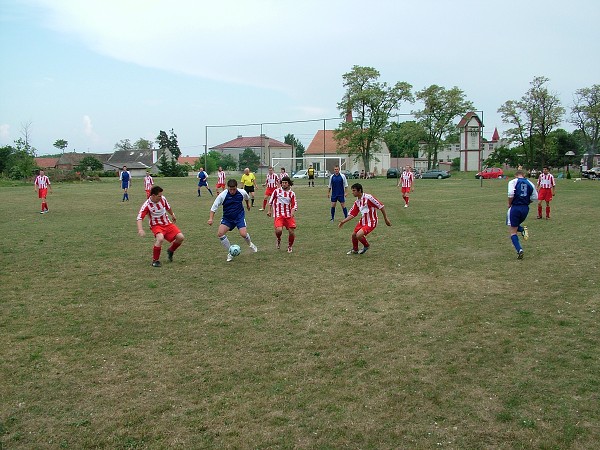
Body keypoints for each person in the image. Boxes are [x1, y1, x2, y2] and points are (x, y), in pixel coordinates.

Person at [208, 179, 258, 262]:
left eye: (234, 189)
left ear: (236, 187)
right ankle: (230, 252)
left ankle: (250, 244)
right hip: (228, 218)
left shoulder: (242, 192)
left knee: (243, 234)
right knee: (220, 234)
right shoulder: (222, 195)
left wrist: (248, 205)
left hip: (239, 217)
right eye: (230, 189)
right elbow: (214, 207)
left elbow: (246, 198)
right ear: (227, 188)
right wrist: (210, 218)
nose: (232, 191)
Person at [136, 185, 185, 267]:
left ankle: (171, 250)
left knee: (181, 238)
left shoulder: (163, 199)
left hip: (167, 223)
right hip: (156, 225)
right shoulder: (147, 205)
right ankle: (155, 261)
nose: (161, 197)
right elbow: (139, 217)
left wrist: (172, 214)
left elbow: (168, 207)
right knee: (160, 238)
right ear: (153, 195)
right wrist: (140, 229)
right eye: (159, 196)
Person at [339, 183, 391, 254]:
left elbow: (381, 206)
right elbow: (352, 214)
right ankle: (355, 249)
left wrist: (386, 218)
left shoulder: (369, 198)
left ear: (359, 190)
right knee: (354, 235)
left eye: (354, 190)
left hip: (371, 222)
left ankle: (366, 246)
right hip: (363, 221)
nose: (352, 192)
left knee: (358, 235)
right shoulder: (357, 202)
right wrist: (343, 221)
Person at [507, 169, 538, 259]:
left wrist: (509, 203)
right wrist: (527, 202)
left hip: (515, 207)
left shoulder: (513, 182)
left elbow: (510, 193)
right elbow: (535, 197)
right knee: (512, 224)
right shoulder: (530, 183)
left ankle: (519, 249)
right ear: (524, 175)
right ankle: (522, 230)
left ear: (515, 175)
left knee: (512, 230)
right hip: (525, 208)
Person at [267, 176, 297, 253]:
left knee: (291, 232)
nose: (283, 184)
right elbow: (270, 202)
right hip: (278, 215)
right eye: (282, 183)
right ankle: (278, 239)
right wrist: (269, 211)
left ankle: (290, 246)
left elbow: (294, 205)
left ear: (289, 184)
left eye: (285, 183)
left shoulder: (292, 193)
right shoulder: (276, 191)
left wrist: (292, 213)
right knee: (279, 230)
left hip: (288, 215)